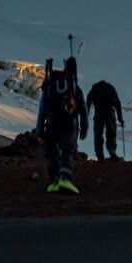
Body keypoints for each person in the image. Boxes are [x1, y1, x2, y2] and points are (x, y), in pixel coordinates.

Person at [35, 57, 88, 194]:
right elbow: (83, 109)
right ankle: (65, 179)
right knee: (67, 151)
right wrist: (84, 127)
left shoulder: (49, 87)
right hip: (69, 124)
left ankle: (54, 181)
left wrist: (40, 131)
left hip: (52, 125)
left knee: (52, 154)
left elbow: (42, 111)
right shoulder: (74, 87)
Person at [86, 80, 124, 161]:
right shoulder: (110, 88)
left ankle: (100, 155)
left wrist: (85, 116)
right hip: (110, 112)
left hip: (98, 113)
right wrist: (120, 118)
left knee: (98, 134)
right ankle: (112, 150)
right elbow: (118, 103)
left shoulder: (94, 90)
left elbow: (88, 103)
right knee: (111, 133)